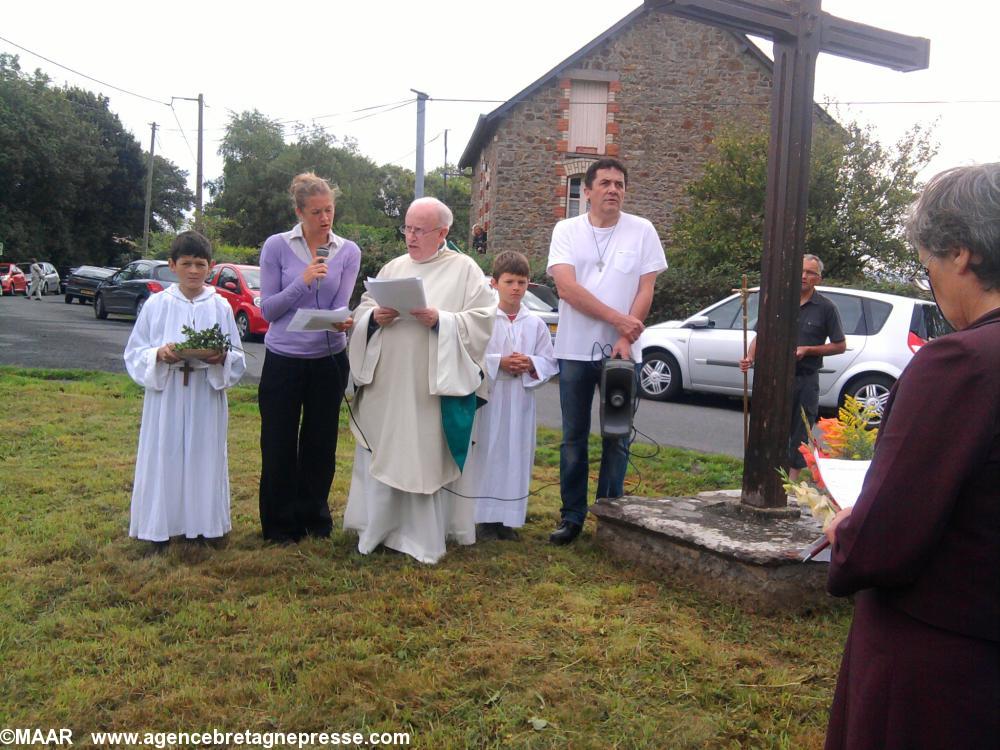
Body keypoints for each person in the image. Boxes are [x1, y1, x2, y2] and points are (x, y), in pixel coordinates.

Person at [822, 164, 1000, 749]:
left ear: (962, 255)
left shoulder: (961, 364)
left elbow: (883, 542)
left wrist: (845, 529)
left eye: (928, 270)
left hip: (942, 663)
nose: (934, 290)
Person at [343, 197, 495, 564]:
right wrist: (375, 317)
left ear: (442, 232)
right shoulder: (395, 267)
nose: (410, 236)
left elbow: (482, 320)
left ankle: (421, 538)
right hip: (389, 385)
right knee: (385, 448)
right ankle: (378, 528)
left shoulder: (465, 270)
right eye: (407, 228)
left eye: (419, 230)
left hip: (430, 389)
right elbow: (363, 310)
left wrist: (441, 320)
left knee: (422, 456)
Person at [546, 157, 667, 545]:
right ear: (588, 191)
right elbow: (567, 288)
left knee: (617, 434)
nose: (613, 189)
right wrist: (620, 320)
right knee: (573, 437)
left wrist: (626, 337)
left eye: (619, 184)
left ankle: (611, 516)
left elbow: (645, 287)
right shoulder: (566, 230)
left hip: (622, 352)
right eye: (606, 183)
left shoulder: (642, 230)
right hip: (574, 349)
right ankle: (572, 516)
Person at [257, 173, 361, 544]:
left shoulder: (348, 251)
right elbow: (268, 310)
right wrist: (302, 281)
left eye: (329, 210)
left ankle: (315, 518)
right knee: (279, 441)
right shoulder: (276, 246)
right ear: (300, 212)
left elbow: (340, 305)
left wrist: (344, 322)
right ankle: (280, 525)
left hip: (328, 359)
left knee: (320, 442)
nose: (324, 218)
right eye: (316, 212)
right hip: (284, 359)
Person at [124, 231, 246, 545]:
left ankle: (205, 528)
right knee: (164, 456)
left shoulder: (219, 306)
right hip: (167, 394)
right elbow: (135, 352)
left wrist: (222, 358)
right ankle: (159, 530)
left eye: (200, 264)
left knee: (205, 456)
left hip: (205, 393)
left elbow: (237, 357)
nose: (193, 270)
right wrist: (158, 354)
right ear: (172, 265)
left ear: (211, 267)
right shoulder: (156, 304)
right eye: (187, 263)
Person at [469, 251, 558, 541]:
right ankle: (482, 518)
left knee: (515, 454)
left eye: (521, 282)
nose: (516, 288)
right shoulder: (483, 319)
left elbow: (549, 360)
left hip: (519, 399)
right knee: (487, 451)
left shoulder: (535, 324)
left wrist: (531, 363)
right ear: (494, 283)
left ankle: (507, 519)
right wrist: (499, 362)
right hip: (491, 398)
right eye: (509, 281)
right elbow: (472, 355)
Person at [739, 254, 845, 480]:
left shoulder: (826, 308)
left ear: (819, 278)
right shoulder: (780, 303)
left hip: (805, 379)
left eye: (810, 273)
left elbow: (840, 345)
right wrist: (750, 357)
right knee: (768, 427)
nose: (804, 276)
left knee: (799, 431)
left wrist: (808, 350)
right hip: (773, 377)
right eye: (801, 271)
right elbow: (761, 335)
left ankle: (791, 484)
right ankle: (762, 478)